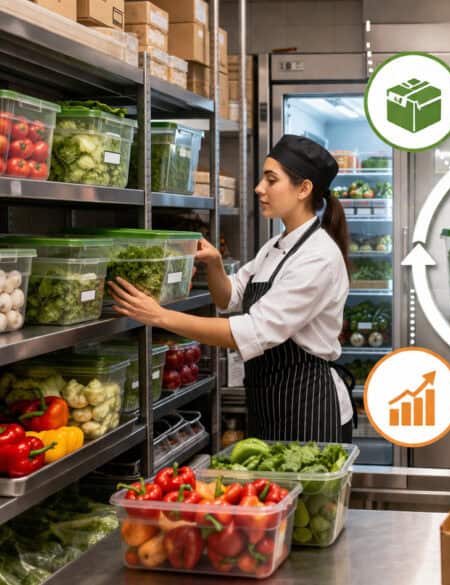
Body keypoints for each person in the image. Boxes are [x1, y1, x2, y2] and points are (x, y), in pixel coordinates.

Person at [108, 135, 355, 442]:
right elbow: (229, 297)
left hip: (309, 405)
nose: (259, 189)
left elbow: (251, 331)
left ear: (303, 189)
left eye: (271, 180)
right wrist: (214, 264)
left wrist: (160, 316)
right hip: (270, 401)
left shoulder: (317, 257)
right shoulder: (275, 246)